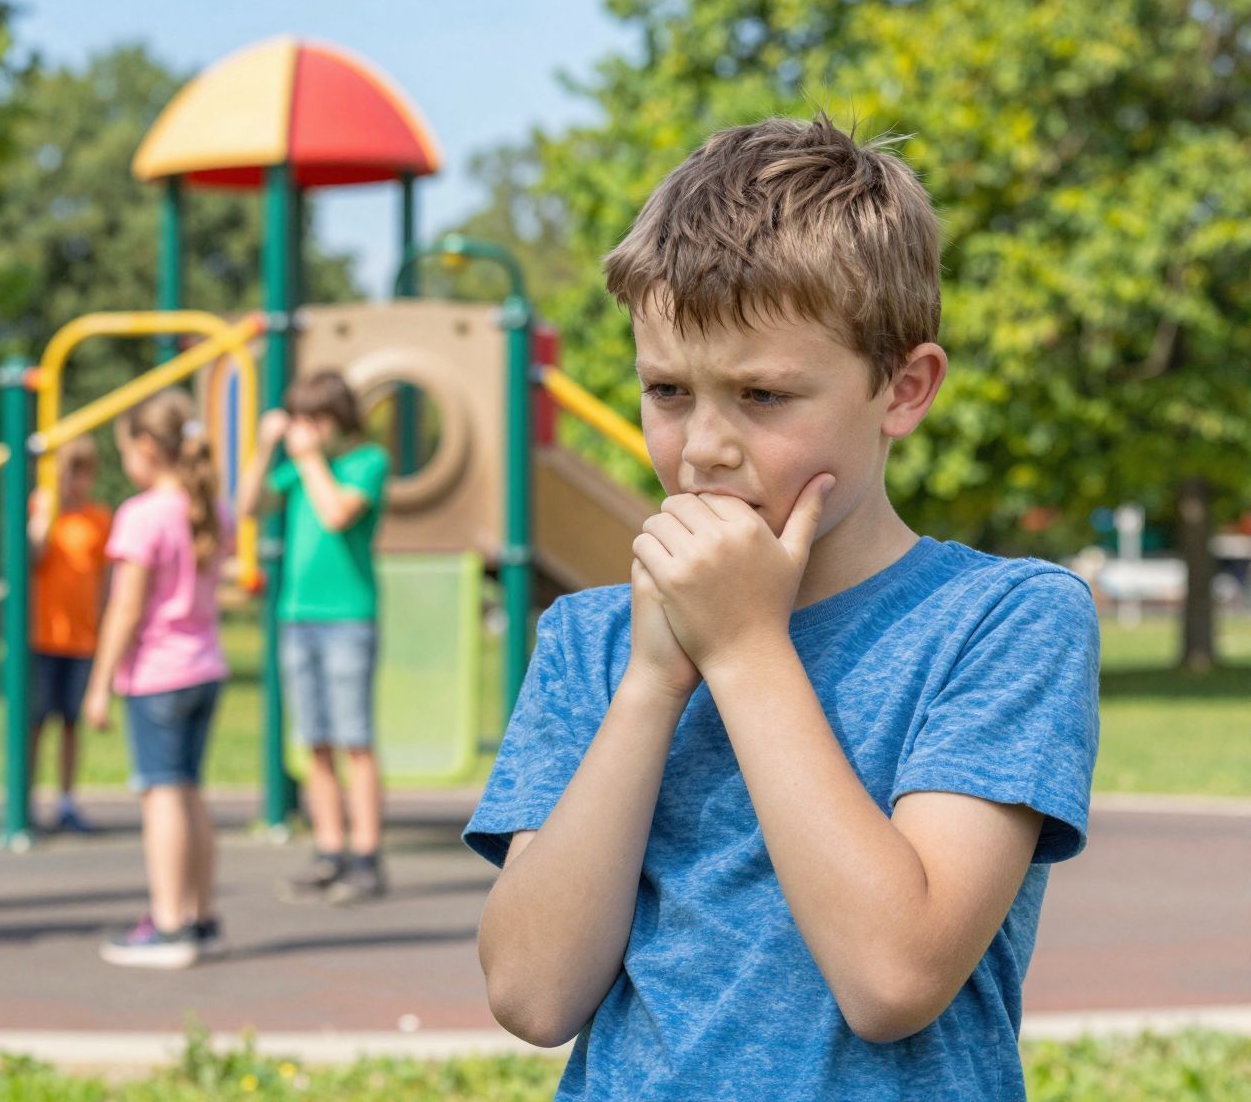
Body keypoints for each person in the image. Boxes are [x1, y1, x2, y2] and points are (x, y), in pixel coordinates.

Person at [466, 116, 1099, 1100]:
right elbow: (532, 994)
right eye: (667, 390)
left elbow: (891, 979)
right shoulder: (591, 642)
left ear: (901, 389)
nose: (703, 447)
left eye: (761, 396)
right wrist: (648, 682)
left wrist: (745, 650)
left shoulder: (1003, 620)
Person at [84, 390, 230, 970]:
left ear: (146, 447)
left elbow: (126, 608)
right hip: (206, 666)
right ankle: (198, 916)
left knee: (162, 794)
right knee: (189, 790)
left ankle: (168, 925)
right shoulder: (210, 508)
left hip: (157, 675)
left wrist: (99, 682)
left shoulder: (142, 514)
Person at [237, 371, 391, 905]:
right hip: (297, 616)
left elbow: (335, 514)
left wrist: (305, 459)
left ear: (337, 419)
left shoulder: (366, 463)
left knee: (355, 739)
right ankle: (330, 851)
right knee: (315, 742)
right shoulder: (300, 469)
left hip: (349, 618)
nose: (305, 430)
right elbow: (248, 507)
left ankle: (367, 856)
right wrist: (263, 450)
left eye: (313, 419)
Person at [29, 437, 114, 833]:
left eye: (82, 474)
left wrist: (106, 628)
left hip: (82, 639)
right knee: (35, 721)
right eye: (68, 473)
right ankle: (25, 797)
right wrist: (45, 515)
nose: (75, 483)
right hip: (41, 637)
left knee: (70, 722)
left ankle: (65, 800)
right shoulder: (41, 512)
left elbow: (106, 581)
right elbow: (31, 558)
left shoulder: (98, 518)